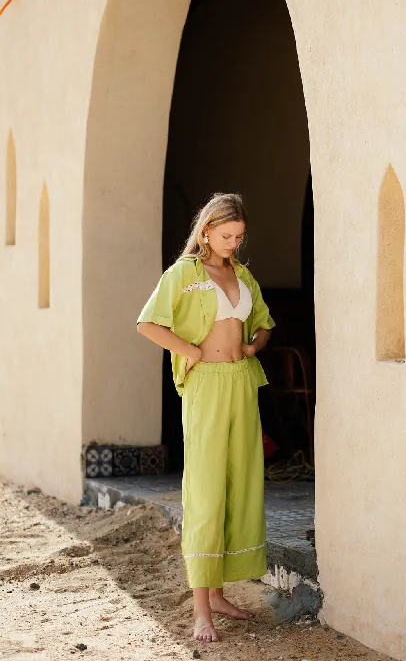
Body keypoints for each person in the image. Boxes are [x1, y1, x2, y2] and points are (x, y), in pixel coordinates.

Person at [136, 192, 275, 643]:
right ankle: (201, 611)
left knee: (240, 483)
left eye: (239, 236)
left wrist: (253, 345)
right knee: (206, 489)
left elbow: (264, 321)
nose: (233, 243)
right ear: (206, 230)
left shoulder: (242, 273)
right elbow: (148, 323)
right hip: (206, 386)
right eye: (226, 235)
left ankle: (217, 594)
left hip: (241, 382)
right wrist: (191, 350)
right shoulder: (184, 273)